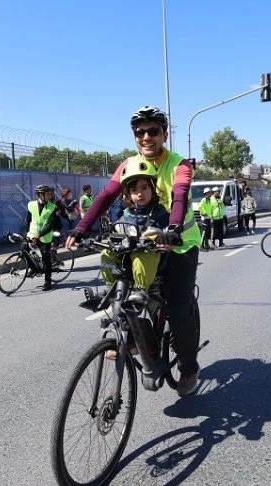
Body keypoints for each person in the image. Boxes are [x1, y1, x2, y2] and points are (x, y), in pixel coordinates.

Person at [65, 105, 202, 397]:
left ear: (164, 134)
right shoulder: (128, 164)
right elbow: (105, 197)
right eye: (140, 132)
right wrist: (81, 228)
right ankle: (131, 337)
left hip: (179, 244)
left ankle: (189, 367)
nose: (146, 137)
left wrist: (174, 229)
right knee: (122, 287)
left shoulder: (179, 164)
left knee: (178, 307)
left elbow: (179, 196)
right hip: (139, 241)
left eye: (153, 131)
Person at [100, 158, 169, 305]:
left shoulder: (160, 212)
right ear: (128, 194)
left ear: (152, 188)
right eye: (134, 190)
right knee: (107, 252)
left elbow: (169, 229)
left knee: (141, 256)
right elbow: (118, 229)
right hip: (127, 256)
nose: (139, 194)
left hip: (152, 257)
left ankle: (141, 290)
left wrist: (166, 236)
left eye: (144, 188)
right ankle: (109, 286)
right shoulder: (126, 213)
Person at [27, 185, 62, 291]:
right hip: (32, 234)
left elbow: (49, 224)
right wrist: (26, 233)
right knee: (24, 250)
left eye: (50, 194)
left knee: (46, 260)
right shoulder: (31, 205)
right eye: (47, 194)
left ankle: (48, 282)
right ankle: (34, 267)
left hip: (44, 236)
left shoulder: (52, 207)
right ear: (40, 195)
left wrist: (39, 235)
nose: (50, 196)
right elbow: (28, 220)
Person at [199, 187, 213, 251]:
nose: (211, 193)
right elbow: (200, 207)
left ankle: (206, 245)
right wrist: (204, 213)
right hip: (204, 218)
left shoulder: (209, 200)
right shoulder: (204, 200)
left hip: (208, 218)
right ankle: (201, 246)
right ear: (206, 193)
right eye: (210, 192)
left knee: (207, 233)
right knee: (203, 233)